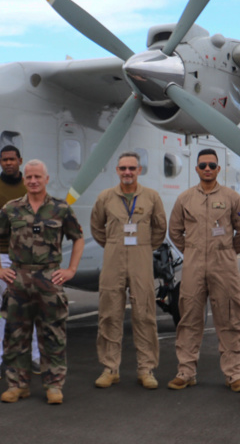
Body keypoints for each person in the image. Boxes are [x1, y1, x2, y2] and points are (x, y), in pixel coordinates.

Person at [0, 160, 84, 405]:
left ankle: (53, 386)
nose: (33, 181)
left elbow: (78, 238)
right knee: (16, 336)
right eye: (29, 177)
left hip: (49, 279)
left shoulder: (61, 209)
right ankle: (17, 386)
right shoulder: (11, 209)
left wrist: (71, 269)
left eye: (37, 177)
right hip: (19, 279)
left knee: (53, 334)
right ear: (24, 180)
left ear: (46, 179)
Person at [166, 149, 240, 392]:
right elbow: (174, 232)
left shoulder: (232, 197)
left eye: (212, 165)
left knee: (230, 317)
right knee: (189, 317)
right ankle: (186, 371)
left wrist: (228, 251)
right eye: (203, 165)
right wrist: (192, 250)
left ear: (218, 169)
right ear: (196, 169)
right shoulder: (184, 199)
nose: (207, 169)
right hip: (193, 264)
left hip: (224, 264)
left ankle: (234, 374)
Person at [91, 152, 167, 390]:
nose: (127, 173)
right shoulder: (105, 198)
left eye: (131, 169)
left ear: (139, 171)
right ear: (117, 171)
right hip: (113, 257)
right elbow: (96, 227)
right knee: (109, 314)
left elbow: (159, 229)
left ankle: (146, 369)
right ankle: (110, 368)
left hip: (141, 257)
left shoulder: (152, 197)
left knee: (144, 314)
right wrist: (114, 244)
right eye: (123, 168)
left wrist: (144, 247)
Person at [0, 146, 40, 381]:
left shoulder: (32, 186)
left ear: (20, 161)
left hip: (27, 257)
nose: (9, 163)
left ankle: (33, 356)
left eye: (13, 159)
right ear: (0, 161)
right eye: (5, 159)